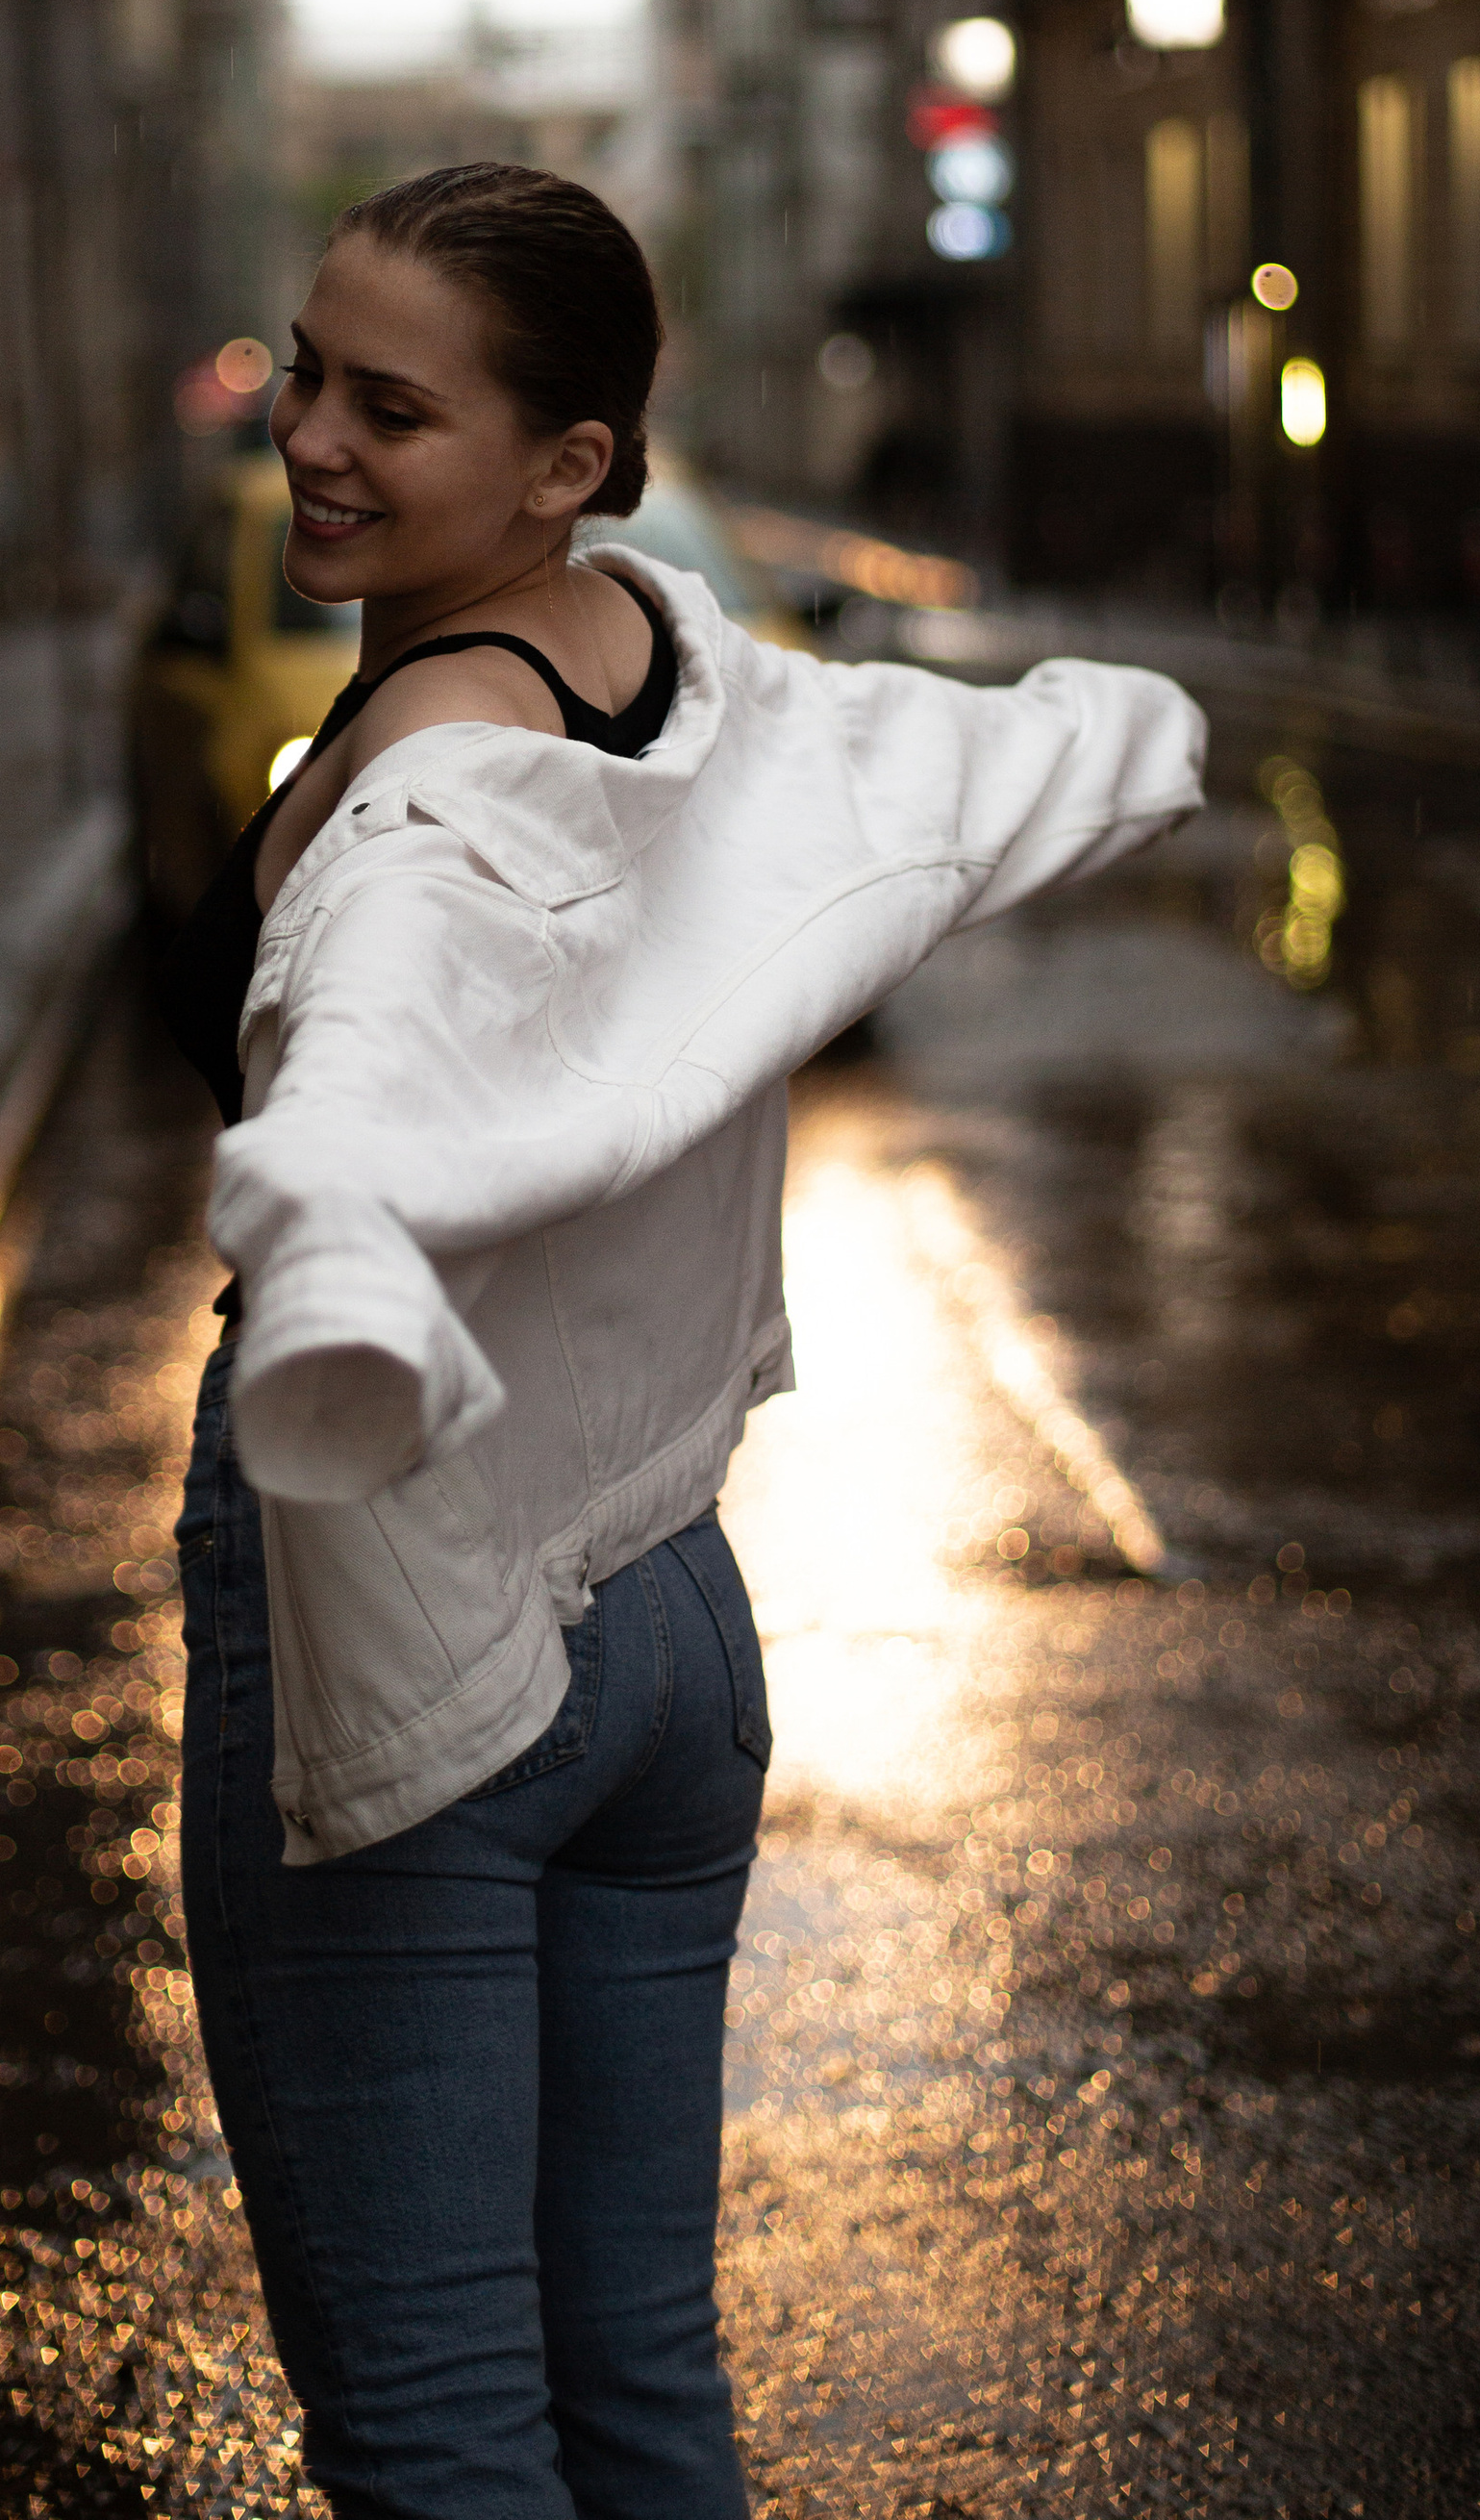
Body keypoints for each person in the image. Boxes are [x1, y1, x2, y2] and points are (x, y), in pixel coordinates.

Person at [154, 164, 1203, 2520]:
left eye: (389, 407)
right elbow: (934, 766)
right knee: (636, 2396)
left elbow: (356, 1100)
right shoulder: (684, 675)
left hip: (418, 1619)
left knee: (438, 2433)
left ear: (568, 466)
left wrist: (323, 1297)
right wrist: (1113, 736)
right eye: (310, 371)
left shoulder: (427, 799)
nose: (312, 436)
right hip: (665, 1634)